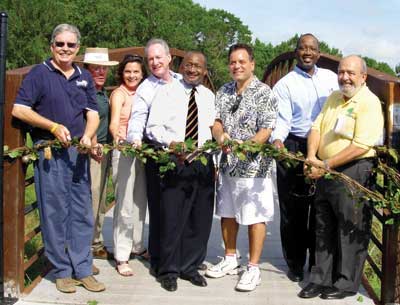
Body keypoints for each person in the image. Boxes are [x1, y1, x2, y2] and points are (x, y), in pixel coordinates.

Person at [11, 24, 105, 293]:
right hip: (50, 151)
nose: (65, 49)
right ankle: (62, 270)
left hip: (79, 152)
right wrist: (51, 126)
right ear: (51, 46)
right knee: (54, 212)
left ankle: (83, 268)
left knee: (82, 211)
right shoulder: (39, 74)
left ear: (78, 48)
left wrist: (89, 136)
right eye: (60, 44)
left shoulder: (84, 76)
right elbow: (19, 109)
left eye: (71, 45)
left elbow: (93, 114)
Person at [298, 55, 383, 300]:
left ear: (363, 77)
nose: (344, 77)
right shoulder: (334, 97)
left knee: (349, 227)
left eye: (351, 73)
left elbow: (360, 145)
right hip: (325, 168)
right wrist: (311, 157)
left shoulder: (369, 102)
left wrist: (324, 164)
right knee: (323, 225)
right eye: (341, 71)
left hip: (353, 169)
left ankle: (345, 284)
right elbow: (316, 127)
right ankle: (320, 279)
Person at [206, 43, 278, 292]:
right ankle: (229, 258)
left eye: (242, 61)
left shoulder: (264, 92)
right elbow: (215, 122)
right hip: (227, 163)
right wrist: (221, 137)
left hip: (254, 166)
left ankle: (253, 267)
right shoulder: (224, 91)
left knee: (255, 215)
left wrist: (245, 147)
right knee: (227, 210)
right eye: (233, 62)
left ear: (252, 64)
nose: (237, 66)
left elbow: (266, 129)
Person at [145, 51, 215, 291]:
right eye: (188, 65)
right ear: (181, 67)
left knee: (200, 217)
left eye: (198, 66)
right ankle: (169, 269)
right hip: (175, 158)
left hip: (202, 160)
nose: (193, 70)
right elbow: (153, 127)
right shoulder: (166, 92)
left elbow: (213, 128)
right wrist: (170, 143)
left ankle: (190, 266)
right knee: (171, 217)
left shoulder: (208, 96)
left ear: (205, 71)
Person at [271, 33, 338, 282]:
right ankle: (295, 263)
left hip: (325, 146)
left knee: (321, 208)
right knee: (293, 209)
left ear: (319, 53)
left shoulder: (332, 78)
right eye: (302, 48)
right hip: (294, 145)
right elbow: (282, 119)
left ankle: (317, 262)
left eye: (312, 49)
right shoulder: (285, 84)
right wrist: (277, 140)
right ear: (296, 52)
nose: (307, 52)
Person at [126, 38, 181, 277]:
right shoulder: (146, 88)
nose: (155, 62)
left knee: (180, 206)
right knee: (159, 209)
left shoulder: (182, 81)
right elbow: (138, 117)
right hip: (158, 151)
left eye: (159, 57)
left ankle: (181, 257)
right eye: (150, 59)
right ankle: (158, 260)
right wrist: (134, 138)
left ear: (169, 58)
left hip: (186, 152)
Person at [109, 54, 148, 276]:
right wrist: (119, 139)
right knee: (124, 203)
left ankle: (137, 245)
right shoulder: (119, 94)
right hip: (124, 151)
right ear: (122, 73)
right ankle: (122, 255)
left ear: (142, 74)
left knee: (140, 202)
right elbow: (115, 124)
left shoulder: (145, 92)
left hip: (143, 151)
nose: (132, 75)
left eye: (136, 71)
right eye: (128, 71)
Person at [81, 48, 118, 260]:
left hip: (103, 152)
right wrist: (93, 142)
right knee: (91, 198)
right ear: (86, 70)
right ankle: (85, 247)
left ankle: (95, 243)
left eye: (103, 68)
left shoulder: (101, 92)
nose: (101, 72)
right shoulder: (84, 91)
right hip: (91, 152)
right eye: (96, 68)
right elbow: (84, 117)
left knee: (101, 198)